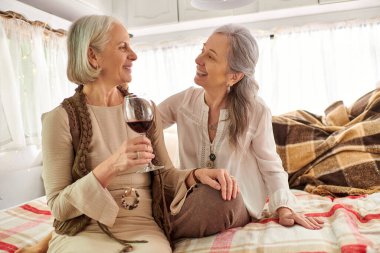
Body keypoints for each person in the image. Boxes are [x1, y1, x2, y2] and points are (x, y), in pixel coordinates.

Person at [17, 15, 244, 253]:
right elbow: (59, 207)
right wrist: (112, 165)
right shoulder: (60, 119)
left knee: (225, 198)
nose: (133, 55)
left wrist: (196, 175)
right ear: (93, 56)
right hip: (87, 229)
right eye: (122, 47)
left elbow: (165, 176)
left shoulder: (144, 109)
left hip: (144, 226)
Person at [158, 24, 325, 230]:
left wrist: (284, 207)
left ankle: (161, 225)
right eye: (202, 50)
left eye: (210, 56)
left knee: (222, 198)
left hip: (233, 203)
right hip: (191, 198)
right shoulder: (183, 102)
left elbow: (270, 165)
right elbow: (146, 125)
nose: (198, 59)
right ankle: (161, 223)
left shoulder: (255, 110)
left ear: (234, 76)